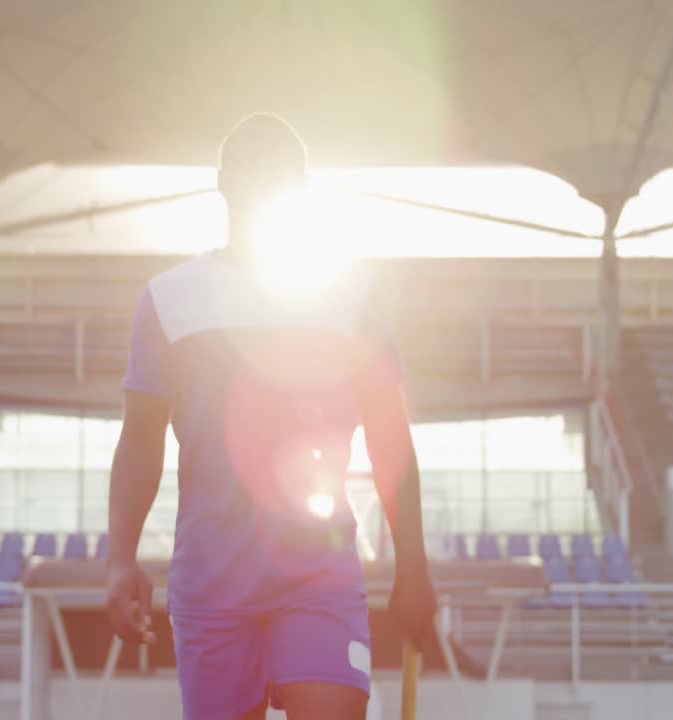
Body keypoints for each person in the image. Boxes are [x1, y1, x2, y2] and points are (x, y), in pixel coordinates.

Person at [42, 113, 437, 720]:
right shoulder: (168, 299)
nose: (262, 190)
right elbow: (141, 439)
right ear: (224, 184)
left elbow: (390, 439)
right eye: (252, 177)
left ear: (300, 191)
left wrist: (414, 567)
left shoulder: (354, 295)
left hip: (321, 575)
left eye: (276, 179)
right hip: (213, 583)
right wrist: (120, 560)